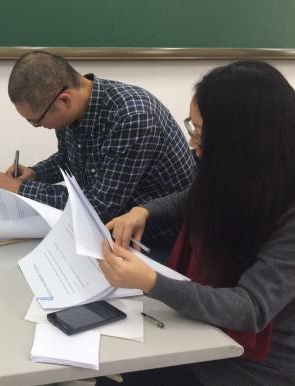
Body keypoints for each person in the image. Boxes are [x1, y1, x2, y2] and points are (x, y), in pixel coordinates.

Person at [98, 61, 295, 385]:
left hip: (248, 366)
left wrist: (152, 282)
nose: (192, 143)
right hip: (203, 334)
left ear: (241, 140)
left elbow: (250, 308)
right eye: (193, 128)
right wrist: (143, 211)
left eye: (200, 134)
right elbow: (194, 197)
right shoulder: (246, 173)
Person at [0, 50, 195, 257]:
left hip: (159, 243)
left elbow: (98, 206)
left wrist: (20, 189)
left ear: (64, 100)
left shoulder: (132, 116)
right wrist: (35, 173)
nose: (40, 127)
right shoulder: (72, 111)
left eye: (36, 121)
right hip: (111, 229)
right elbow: (68, 158)